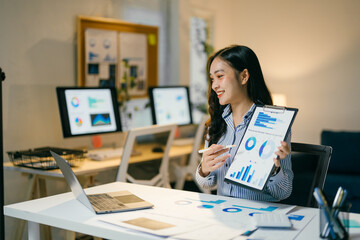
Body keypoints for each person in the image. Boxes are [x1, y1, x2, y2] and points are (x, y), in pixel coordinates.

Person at [195, 45, 293, 202]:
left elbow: (283, 192)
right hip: (225, 213)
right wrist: (203, 170)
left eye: (220, 76)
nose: (214, 85)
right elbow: (208, 184)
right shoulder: (216, 123)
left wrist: (275, 168)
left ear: (244, 76)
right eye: (212, 79)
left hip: (258, 216)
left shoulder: (274, 123)